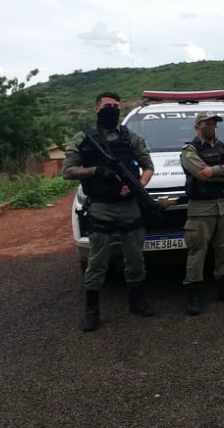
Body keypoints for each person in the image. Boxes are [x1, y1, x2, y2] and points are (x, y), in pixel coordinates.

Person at [62, 91, 155, 332]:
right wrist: (95, 171)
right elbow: (68, 171)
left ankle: (137, 301)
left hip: (129, 205)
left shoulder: (130, 137)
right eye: (107, 105)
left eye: (116, 106)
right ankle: (92, 311)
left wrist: (136, 186)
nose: (112, 109)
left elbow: (147, 166)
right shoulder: (84, 138)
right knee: (98, 261)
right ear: (97, 109)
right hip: (101, 206)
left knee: (135, 257)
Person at [180, 112, 224, 316]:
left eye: (214, 123)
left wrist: (213, 172)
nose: (212, 126)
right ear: (197, 127)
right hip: (201, 208)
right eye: (207, 123)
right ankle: (194, 295)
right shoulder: (189, 150)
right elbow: (199, 172)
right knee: (198, 250)